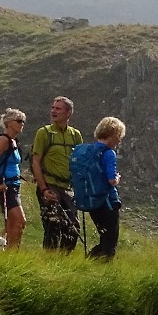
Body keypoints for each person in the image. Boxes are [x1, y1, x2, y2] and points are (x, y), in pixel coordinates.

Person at [31, 96, 83, 253]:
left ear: (69, 113)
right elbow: (36, 162)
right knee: (52, 227)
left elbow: (79, 162)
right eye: (53, 108)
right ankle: (49, 265)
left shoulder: (75, 135)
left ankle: (64, 263)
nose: (53, 111)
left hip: (68, 187)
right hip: (50, 185)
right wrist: (43, 189)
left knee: (73, 229)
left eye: (58, 108)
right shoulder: (44, 133)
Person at [0, 108, 27, 249]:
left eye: (23, 121)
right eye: (19, 121)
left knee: (11, 224)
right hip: (6, 187)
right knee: (19, 222)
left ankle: (5, 252)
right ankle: (11, 253)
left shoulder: (13, 141)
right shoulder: (3, 140)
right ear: (9, 123)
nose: (22, 124)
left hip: (13, 186)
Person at [87, 116, 124, 260]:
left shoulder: (89, 150)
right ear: (113, 134)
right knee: (110, 241)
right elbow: (111, 180)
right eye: (119, 136)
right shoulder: (109, 153)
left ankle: (89, 263)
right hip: (107, 201)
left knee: (104, 237)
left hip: (91, 201)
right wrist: (117, 179)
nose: (119, 140)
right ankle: (102, 269)